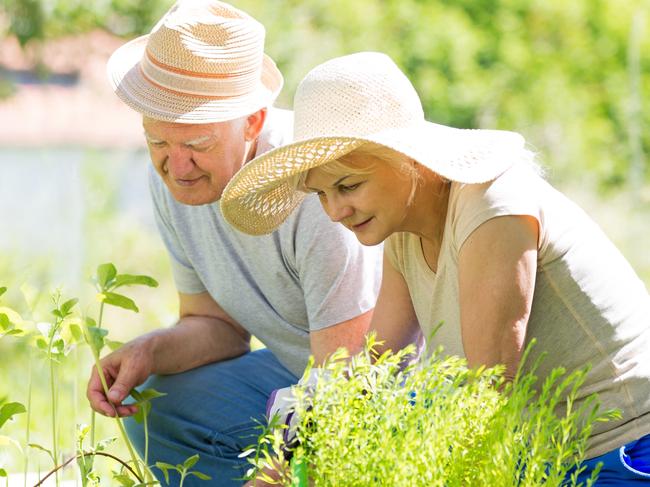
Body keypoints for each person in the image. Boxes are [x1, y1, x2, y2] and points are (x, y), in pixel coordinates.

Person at [221, 51, 650, 484]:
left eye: (348, 186)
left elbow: (488, 393)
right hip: (543, 455)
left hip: (621, 449)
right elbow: (371, 365)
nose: (334, 211)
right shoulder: (405, 228)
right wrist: (283, 457)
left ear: (407, 157)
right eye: (321, 195)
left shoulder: (492, 207)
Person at [86, 5, 382, 486]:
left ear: (253, 121)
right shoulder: (171, 182)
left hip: (387, 387)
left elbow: (347, 375)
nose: (176, 167)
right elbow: (217, 327)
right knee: (159, 406)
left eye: (197, 145)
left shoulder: (316, 187)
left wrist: (277, 470)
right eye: (157, 141)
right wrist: (149, 351)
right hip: (297, 373)